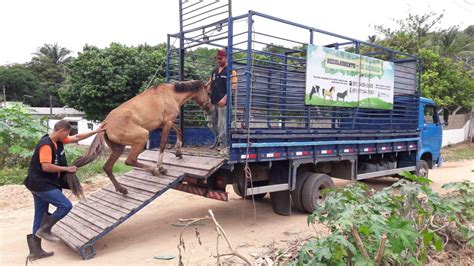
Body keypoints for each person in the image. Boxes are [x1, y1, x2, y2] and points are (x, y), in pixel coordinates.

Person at [24, 120, 105, 260]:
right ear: (60, 131)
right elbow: (46, 167)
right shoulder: (46, 145)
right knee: (65, 205)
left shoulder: (58, 141)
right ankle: (45, 229)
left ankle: (35, 251)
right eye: (66, 133)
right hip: (41, 184)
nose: (68, 135)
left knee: (40, 214)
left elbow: (77, 137)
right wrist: (67, 169)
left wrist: (95, 131)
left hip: (40, 184)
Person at [208, 49, 237, 150]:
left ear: (226, 58)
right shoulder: (214, 72)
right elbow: (209, 85)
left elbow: (233, 87)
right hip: (214, 101)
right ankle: (217, 141)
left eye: (220, 58)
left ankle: (223, 144)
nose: (218, 61)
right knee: (213, 123)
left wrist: (225, 99)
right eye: (217, 59)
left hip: (224, 103)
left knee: (222, 124)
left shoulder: (231, 71)